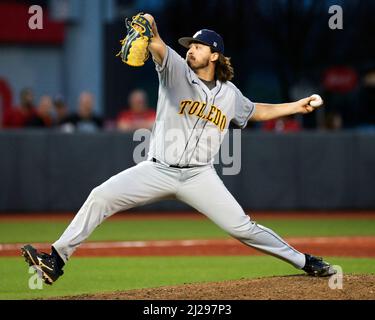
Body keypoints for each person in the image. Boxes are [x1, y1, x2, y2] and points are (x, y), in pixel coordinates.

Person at [21, 14, 336, 285]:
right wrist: (145, 22)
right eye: (190, 45)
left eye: (198, 46)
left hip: (200, 176)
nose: (191, 50)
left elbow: (257, 111)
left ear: (214, 55)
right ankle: (56, 260)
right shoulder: (175, 71)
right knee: (101, 195)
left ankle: (305, 261)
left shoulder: (230, 95)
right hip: (157, 169)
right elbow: (155, 38)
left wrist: (297, 105)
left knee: (243, 228)